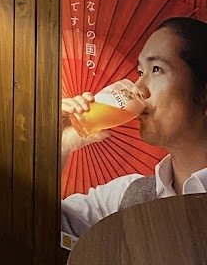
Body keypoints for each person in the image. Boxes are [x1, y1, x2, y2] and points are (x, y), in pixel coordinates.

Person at [61, 16, 207, 240]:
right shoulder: (127, 197)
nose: (138, 88)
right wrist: (60, 145)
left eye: (156, 69)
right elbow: (39, 225)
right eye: (140, 72)